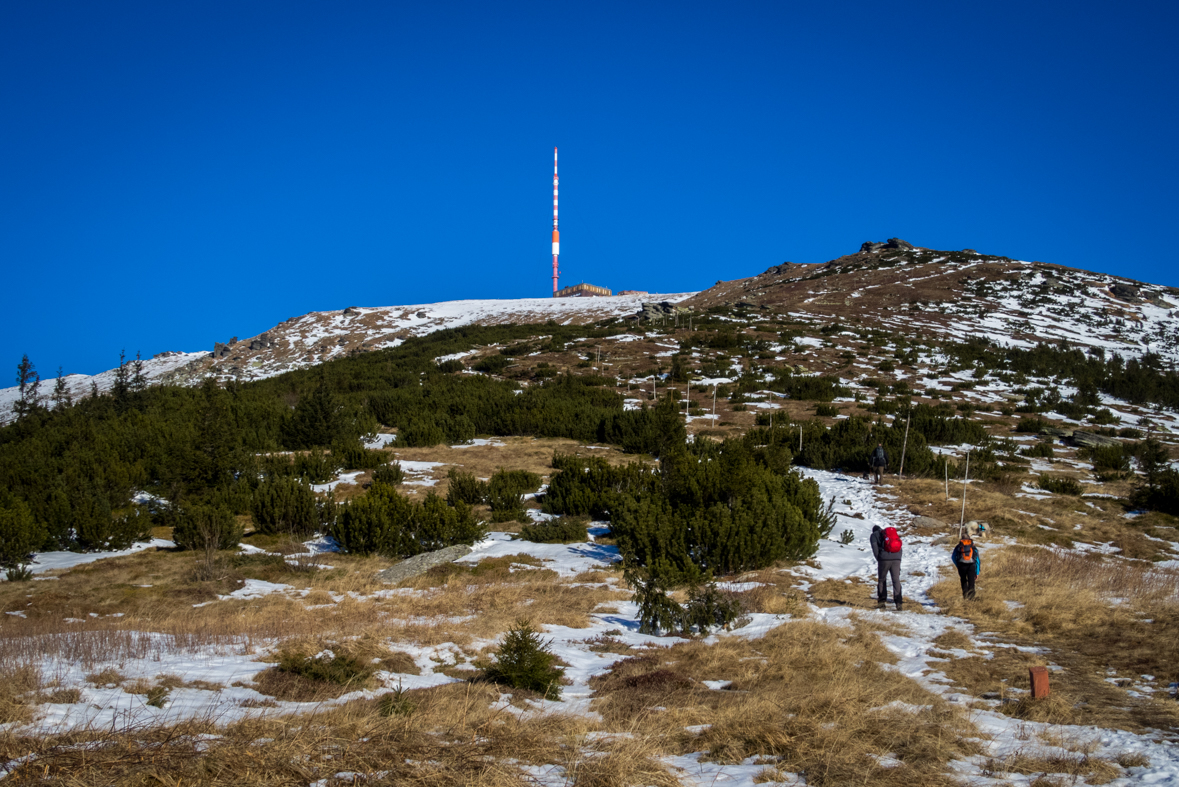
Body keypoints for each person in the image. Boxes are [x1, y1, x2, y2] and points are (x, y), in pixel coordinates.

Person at [870, 524, 903, 610]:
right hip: (896, 558)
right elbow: (899, 547)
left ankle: (881, 602)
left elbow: (875, 549)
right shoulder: (889, 534)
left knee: (882, 580)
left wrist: (879, 558)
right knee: (896, 580)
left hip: (884, 559)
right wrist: (898, 558)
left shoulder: (874, 535)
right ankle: (898, 602)